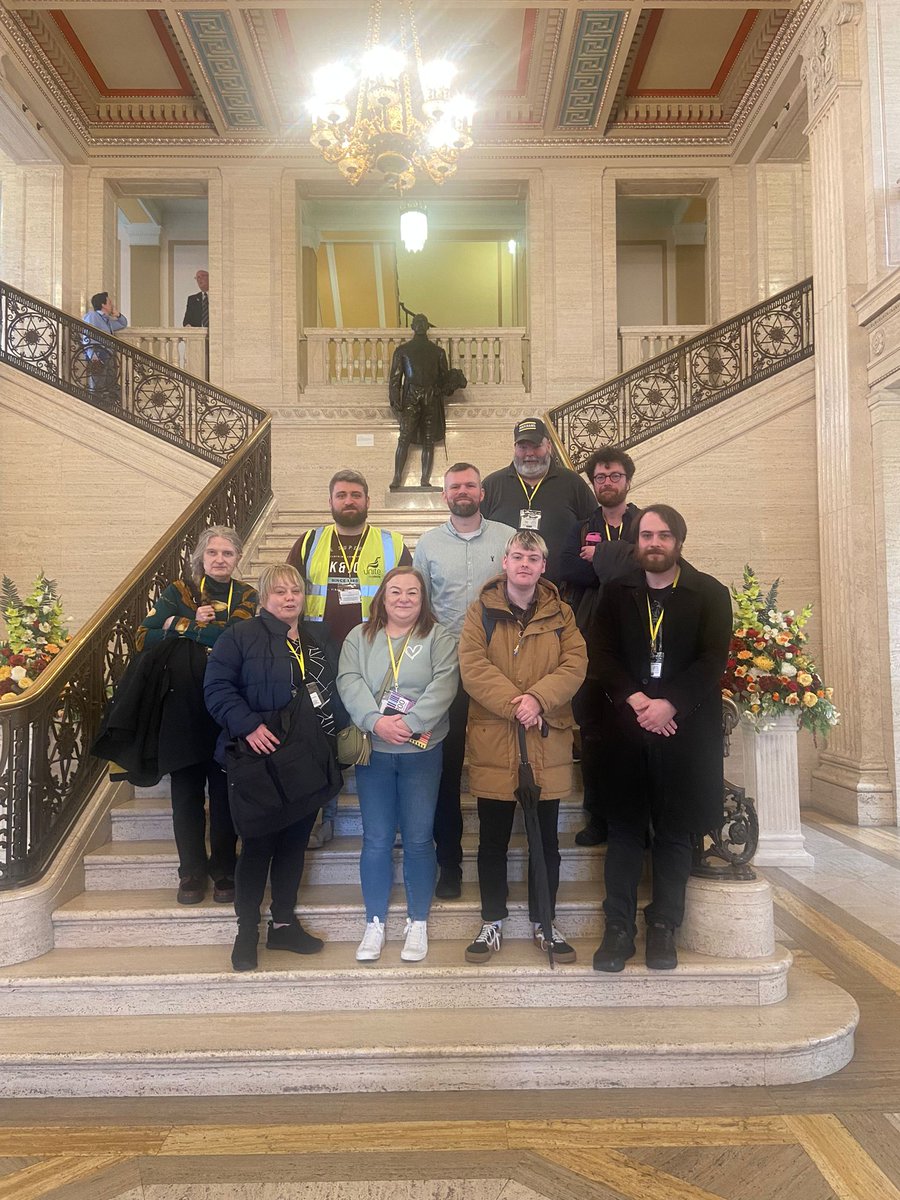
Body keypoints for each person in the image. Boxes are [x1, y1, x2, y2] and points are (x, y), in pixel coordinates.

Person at [589, 505, 732, 973]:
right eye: (646, 535)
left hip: (684, 730)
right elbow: (602, 655)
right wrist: (636, 701)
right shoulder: (615, 593)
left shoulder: (708, 592)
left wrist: (669, 703)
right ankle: (619, 929)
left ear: (679, 541)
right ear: (636, 542)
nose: (654, 542)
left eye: (664, 535)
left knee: (674, 833)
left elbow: (713, 659)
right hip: (627, 730)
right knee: (626, 831)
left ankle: (664, 928)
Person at [204, 564, 348, 972]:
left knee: (293, 846)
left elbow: (332, 688)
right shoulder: (240, 636)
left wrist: (340, 735)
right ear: (265, 597)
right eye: (280, 592)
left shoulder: (317, 636)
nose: (289, 598)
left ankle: (283, 924)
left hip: (308, 757)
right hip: (259, 759)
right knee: (256, 848)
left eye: (296, 592)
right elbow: (216, 688)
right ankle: (246, 930)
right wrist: (247, 725)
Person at [458, 531, 587, 964]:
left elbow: (575, 664)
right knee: (492, 839)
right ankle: (492, 920)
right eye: (518, 556)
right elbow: (472, 666)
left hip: (545, 740)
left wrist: (538, 700)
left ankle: (544, 923)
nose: (525, 564)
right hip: (496, 738)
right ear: (506, 562)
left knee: (545, 841)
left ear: (543, 566)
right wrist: (517, 704)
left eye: (533, 557)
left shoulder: (562, 614)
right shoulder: (482, 612)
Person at [337, 568, 459, 963]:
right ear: (382, 597)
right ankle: (374, 922)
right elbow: (349, 681)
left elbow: (444, 684)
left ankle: (417, 922)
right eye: (395, 592)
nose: (404, 598)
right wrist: (376, 721)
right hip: (375, 751)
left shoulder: (438, 637)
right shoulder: (360, 636)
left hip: (422, 750)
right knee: (375, 838)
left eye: (412, 592)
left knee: (421, 838)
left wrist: (409, 723)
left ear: (423, 599)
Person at [287, 469, 412, 846]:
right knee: (322, 733)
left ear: (368, 501)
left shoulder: (392, 544)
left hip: (378, 650)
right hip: (319, 653)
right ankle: (321, 818)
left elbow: (410, 595)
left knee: (388, 731)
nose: (349, 501)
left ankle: (396, 822)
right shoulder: (310, 542)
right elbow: (287, 594)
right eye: (341, 495)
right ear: (330, 501)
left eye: (356, 495)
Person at [133, 526, 257, 905]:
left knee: (223, 795)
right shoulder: (178, 592)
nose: (220, 560)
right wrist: (185, 623)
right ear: (201, 558)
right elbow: (143, 636)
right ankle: (191, 872)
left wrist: (181, 626)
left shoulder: (248, 596)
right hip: (181, 710)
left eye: (228, 554)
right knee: (185, 794)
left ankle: (223, 870)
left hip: (226, 711)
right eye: (212, 553)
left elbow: (233, 638)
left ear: (238, 558)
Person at [412, 462, 516, 898]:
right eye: (455, 486)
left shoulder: (507, 536)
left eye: (470, 484)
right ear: (444, 496)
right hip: (449, 674)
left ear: (482, 491)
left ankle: (499, 861)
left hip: (501, 672)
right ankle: (449, 864)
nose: (463, 491)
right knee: (447, 771)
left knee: (500, 767)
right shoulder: (428, 544)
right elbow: (420, 607)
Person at [558, 445, 640, 847]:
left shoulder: (645, 522)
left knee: (633, 734)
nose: (608, 483)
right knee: (592, 736)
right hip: (590, 645)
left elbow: (650, 565)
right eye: (600, 478)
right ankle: (598, 818)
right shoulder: (581, 525)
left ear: (628, 480)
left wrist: (602, 556)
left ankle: (635, 819)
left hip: (638, 644)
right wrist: (619, 562)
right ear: (593, 485)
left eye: (615, 476)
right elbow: (568, 568)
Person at [480, 418, 596, 585]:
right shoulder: (492, 485)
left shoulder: (573, 483)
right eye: (523, 447)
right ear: (514, 448)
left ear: (548, 446)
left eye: (536, 446)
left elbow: (593, 526)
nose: (529, 454)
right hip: (503, 594)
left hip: (562, 594)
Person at [388, 313, 450, 489]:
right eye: (418, 322)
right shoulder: (403, 350)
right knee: (404, 437)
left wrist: (445, 386)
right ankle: (397, 477)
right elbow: (395, 378)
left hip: (430, 396)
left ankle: (425, 479)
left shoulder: (438, 352)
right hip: (411, 396)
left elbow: (443, 378)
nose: (421, 325)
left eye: (423, 322)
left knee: (429, 440)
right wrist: (395, 399)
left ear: (427, 326)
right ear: (413, 326)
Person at [81, 291, 127, 404]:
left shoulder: (108, 321)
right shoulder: (92, 316)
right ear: (103, 304)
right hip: (98, 354)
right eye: (110, 303)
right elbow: (87, 334)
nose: (112, 305)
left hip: (108, 354)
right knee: (98, 385)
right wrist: (92, 355)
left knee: (110, 383)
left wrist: (117, 314)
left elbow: (123, 324)